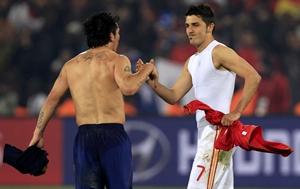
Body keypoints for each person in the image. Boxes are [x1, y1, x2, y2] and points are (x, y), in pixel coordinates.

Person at [140, 4, 261, 189]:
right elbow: (174, 96)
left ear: (210, 27)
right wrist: (152, 82)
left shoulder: (219, 51)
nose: (190, 30)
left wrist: (237, 112)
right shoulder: (193, 60)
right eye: (187, 25)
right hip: (206, 132)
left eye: (195, 25)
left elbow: (253, 76)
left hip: (218, 132)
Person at [28, 12, 154, 189]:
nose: (118, 38)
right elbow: (129, 87)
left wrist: (38, 132)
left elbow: (51, 101)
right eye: (117, 34)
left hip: (84, 139)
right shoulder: (117, 59)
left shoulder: (71, 65)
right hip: (113, 137)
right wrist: (147, 69)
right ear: (111, 35)